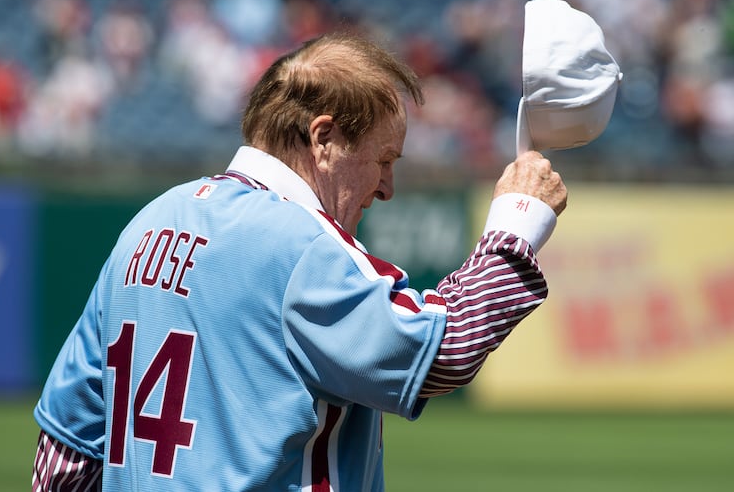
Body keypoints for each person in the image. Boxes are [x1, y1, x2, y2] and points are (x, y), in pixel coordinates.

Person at [32, 31, 566, 491]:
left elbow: (66, 449)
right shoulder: (302, 244)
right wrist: (517, 223)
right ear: (324, 138)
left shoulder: (148, 223)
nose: (387, 187)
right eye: (383, 160)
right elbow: (444, 349)